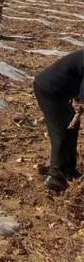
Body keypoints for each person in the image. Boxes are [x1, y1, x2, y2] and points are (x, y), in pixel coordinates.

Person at [34, 49, 83, 192]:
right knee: (60, 132)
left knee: (72, 128)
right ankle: (55, 176)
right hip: (48, 90)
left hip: (61, 94)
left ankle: (69, 170)